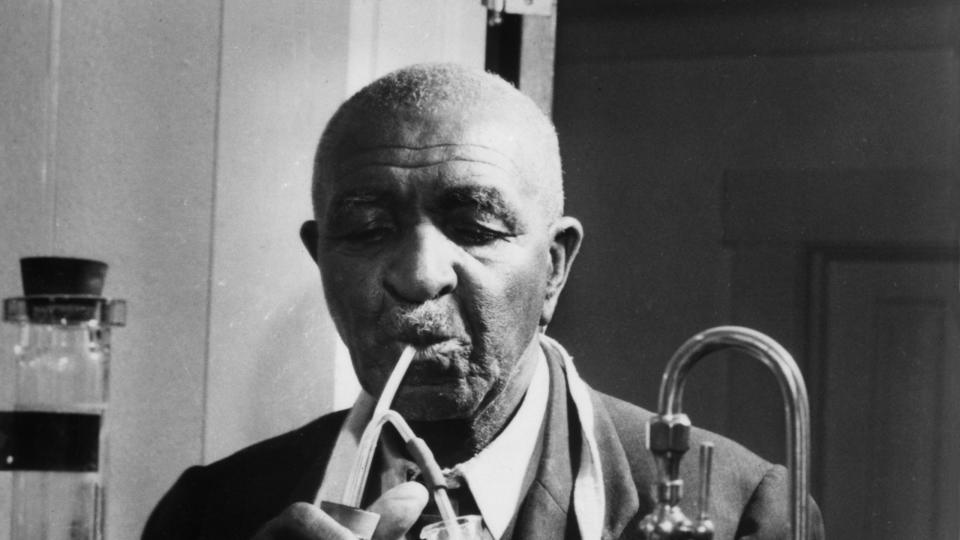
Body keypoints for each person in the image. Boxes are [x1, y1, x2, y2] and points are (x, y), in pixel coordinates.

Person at [142, 63, 824, 540]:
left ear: (554, 268)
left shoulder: (744, 514)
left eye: (473, 227)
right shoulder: (209, 515)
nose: (416, 275)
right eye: (368, 230)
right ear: (321, 257)